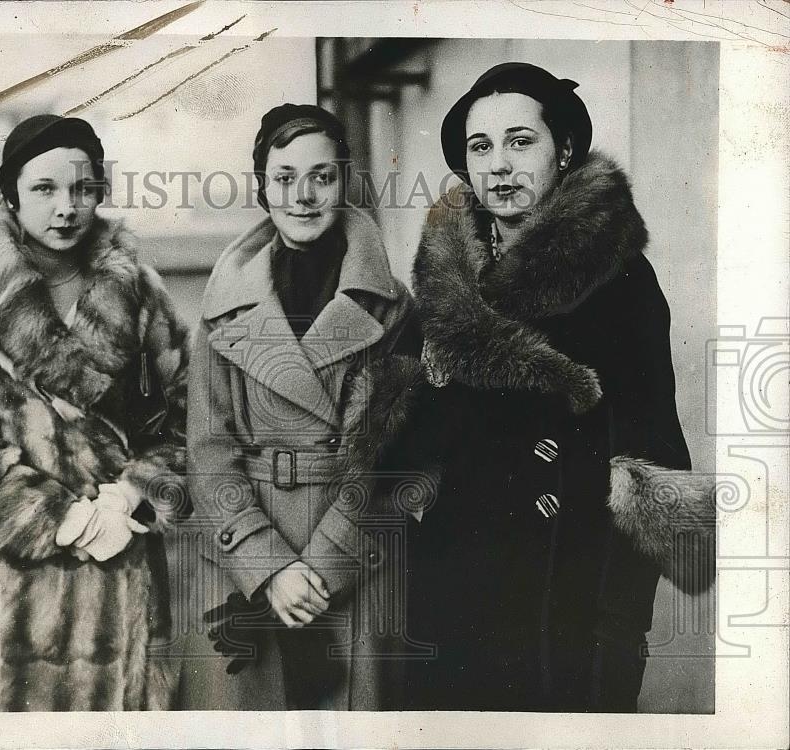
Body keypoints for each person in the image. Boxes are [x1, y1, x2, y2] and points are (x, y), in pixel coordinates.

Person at [335, 63, 716, 711]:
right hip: (452, 580)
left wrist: (617, 624)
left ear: (562, 150)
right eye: (480, 148)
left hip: (564, 595)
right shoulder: (446, 274)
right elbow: (405, 429)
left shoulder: (618, 280)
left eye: (521, 141)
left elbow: (649, 453)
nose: (500, 165)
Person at [0, 115, 189, 711]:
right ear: (10, 193)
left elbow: (186, 415)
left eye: (82, 189)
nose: (67, 207)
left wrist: (131, 494)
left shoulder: (139, 292)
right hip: (26, 585)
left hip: (130, 564)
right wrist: (72, 522)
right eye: (44, 189)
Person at [177, 104, 419, 710]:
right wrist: (268, 566)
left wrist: (319, 567)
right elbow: (209, 451)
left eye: (322, 176)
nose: (303, 196)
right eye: (284, 178)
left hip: (353, 558)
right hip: (247, 565)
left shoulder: (394, 309)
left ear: (346, 180)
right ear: (262, 187)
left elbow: (399, 455)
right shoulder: (223, 306)